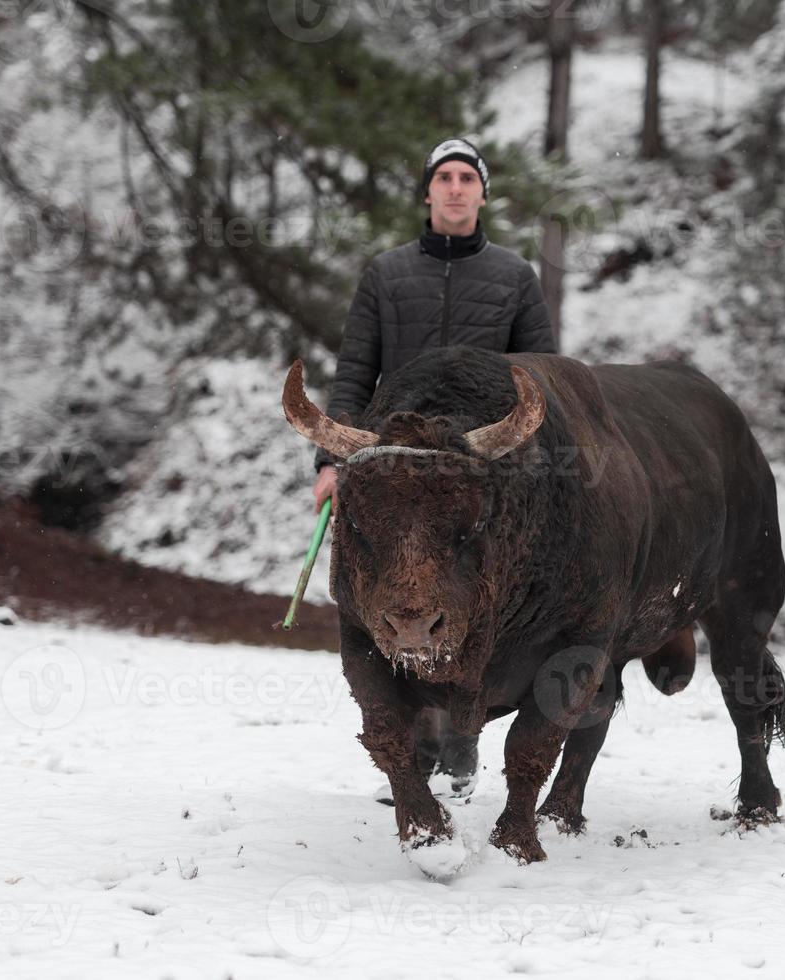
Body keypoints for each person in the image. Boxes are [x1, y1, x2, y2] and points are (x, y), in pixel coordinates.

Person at [312, 136, 557, 796]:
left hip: (480, 477)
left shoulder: (514, 277)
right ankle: (410, 733)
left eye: (466, 178)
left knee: (476, 596)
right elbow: (356, 374)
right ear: (427, 192)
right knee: (386, 590)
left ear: (482, 193)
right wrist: (332, 461)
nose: (454, 188)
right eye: (443, 178)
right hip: (394, 470)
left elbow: (542, 376)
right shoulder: (386, 274)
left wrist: (531, 465)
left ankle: (463, 729)